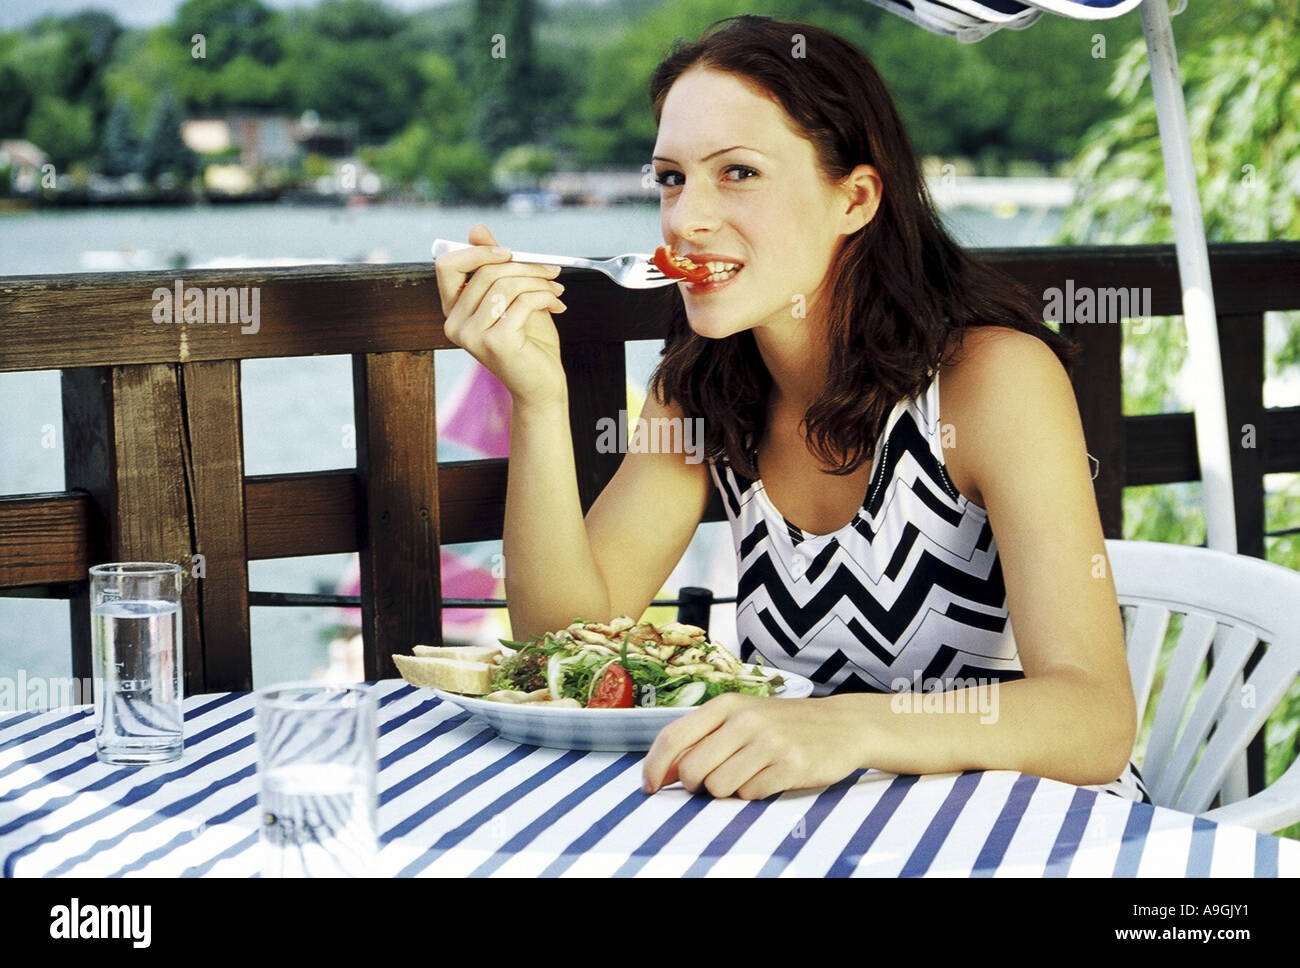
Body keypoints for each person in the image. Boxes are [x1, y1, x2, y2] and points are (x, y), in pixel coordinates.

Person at [434, 14, 1148, 804]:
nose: (686, 218)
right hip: (826, 824)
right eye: (671, 178)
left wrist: (849, 727)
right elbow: (564, 643)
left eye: (737, 172)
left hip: (1039, 829)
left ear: (856, 198)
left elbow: (1094, 718)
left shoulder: (990, 379)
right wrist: (536, 397)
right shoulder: (706, 386)